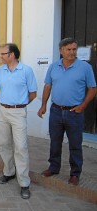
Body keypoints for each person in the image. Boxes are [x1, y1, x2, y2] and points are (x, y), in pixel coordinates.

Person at [37, 37, 97, 186]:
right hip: (56, 111)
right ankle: (54, 167)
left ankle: (75, 173)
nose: (72, 52)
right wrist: (43, 105)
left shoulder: (85, 67)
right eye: (68, 49)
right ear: (61, 51)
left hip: (74, 113)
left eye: (74, 49)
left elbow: (93, 89)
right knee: (55, 142)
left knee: (75, 145)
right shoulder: (53, 67)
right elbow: (47, 86)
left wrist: (83, 106)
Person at [0, 43, 37, 199]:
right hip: (2, 110)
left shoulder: (26, 70)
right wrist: (2, 105)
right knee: (3, 144)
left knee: (21, 147)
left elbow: (33, 93)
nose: (1, 56)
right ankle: (9, 172)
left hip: (18, 111)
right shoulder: (0, 70)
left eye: (3, 54)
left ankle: (24, 183)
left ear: (12, 54)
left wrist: (20, 105)